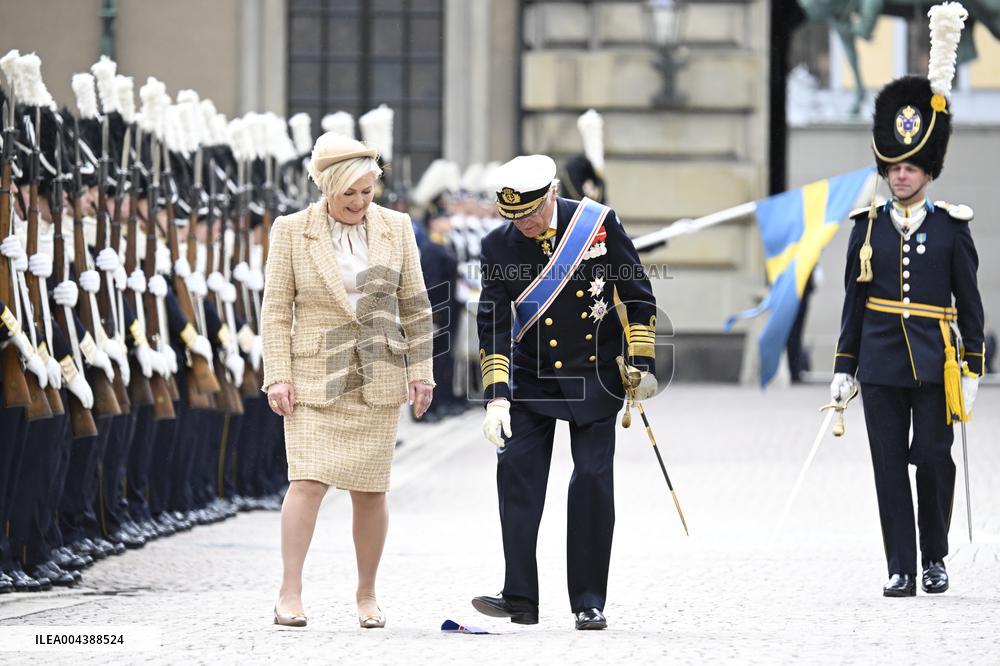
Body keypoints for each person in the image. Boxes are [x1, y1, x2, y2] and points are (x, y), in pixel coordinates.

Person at [472, 154, 657, 630]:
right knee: (516, 476)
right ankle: (519, 596)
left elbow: (637, 295)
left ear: (552, 193)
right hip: (531, 376)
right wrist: (496, 397)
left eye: (531, 213)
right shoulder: (496, 245)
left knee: (592, 481)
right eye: (514, 217)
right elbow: (493, 323)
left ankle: (589, 600)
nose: (525, 225)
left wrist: (641, 363)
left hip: (594, 373)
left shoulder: (597, 224)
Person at [831, 24, 984, 597]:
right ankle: (900, 565)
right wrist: (845, 366)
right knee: (889, 465)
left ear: (928, 171)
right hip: (880, 363)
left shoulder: (951, 228)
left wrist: (973, 365)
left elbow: (970, 303)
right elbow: (853, 302)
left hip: (935, 363)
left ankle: (934, 557)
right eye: (894, 166)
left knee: (935, 459)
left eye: (911, 167)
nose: (901, 174)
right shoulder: (866, 227)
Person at [261, 132, 434, 628]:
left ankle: (367, 596)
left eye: (367, 191)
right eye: (349, 194)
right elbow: (276, 311)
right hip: (313, 378)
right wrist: (278, 376)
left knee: (371, 491)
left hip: (377, 375)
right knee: (306, 482)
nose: (360, 202)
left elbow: (415, 305)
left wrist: (421, 372)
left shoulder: (396, 227)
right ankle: (289, 593)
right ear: (326, 188)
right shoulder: (291, 230)